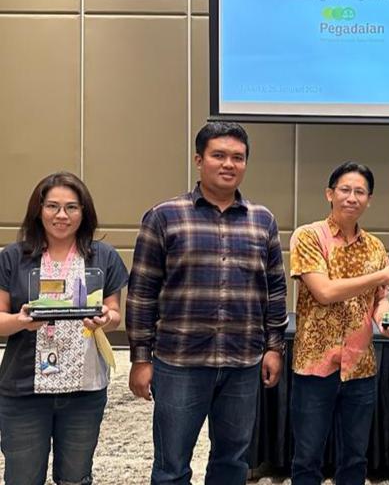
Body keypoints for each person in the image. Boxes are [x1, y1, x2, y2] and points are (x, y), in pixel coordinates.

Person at [127, 122, 288, 485]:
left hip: (242, 362)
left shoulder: (262, 221)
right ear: (199, 160)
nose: (229, 164)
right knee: (171, 465)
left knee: (233, 461)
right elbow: (141, 293)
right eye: (219, 155)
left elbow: (275, 290)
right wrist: (140, 358)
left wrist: (274, 348)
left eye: (238, 157)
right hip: (180, 362)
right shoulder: (164, 216)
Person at [0, 172, 128, 485]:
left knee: (75, 478)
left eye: (72, 207)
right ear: (38, 210)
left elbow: (115, 314)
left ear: (84, 212)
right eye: (52, 206)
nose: (62, 215)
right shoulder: (13, 258)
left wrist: (106, 319)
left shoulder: (103, 256)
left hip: (84, 392)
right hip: (24, 391)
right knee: (22, 478)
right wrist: (22, 321)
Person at [289, 161, 389, 485]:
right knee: (307, 458)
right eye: (345, 190)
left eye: (360, 192)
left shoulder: (375, 247)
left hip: (360, 368)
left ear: (369, 200)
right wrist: (380, 275)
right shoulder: (308, 236)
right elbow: (325, 292)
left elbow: (380, 299)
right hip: (315, 367)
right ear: (330, 194)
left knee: (355, 458)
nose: (352, 197)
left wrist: (388, 321)